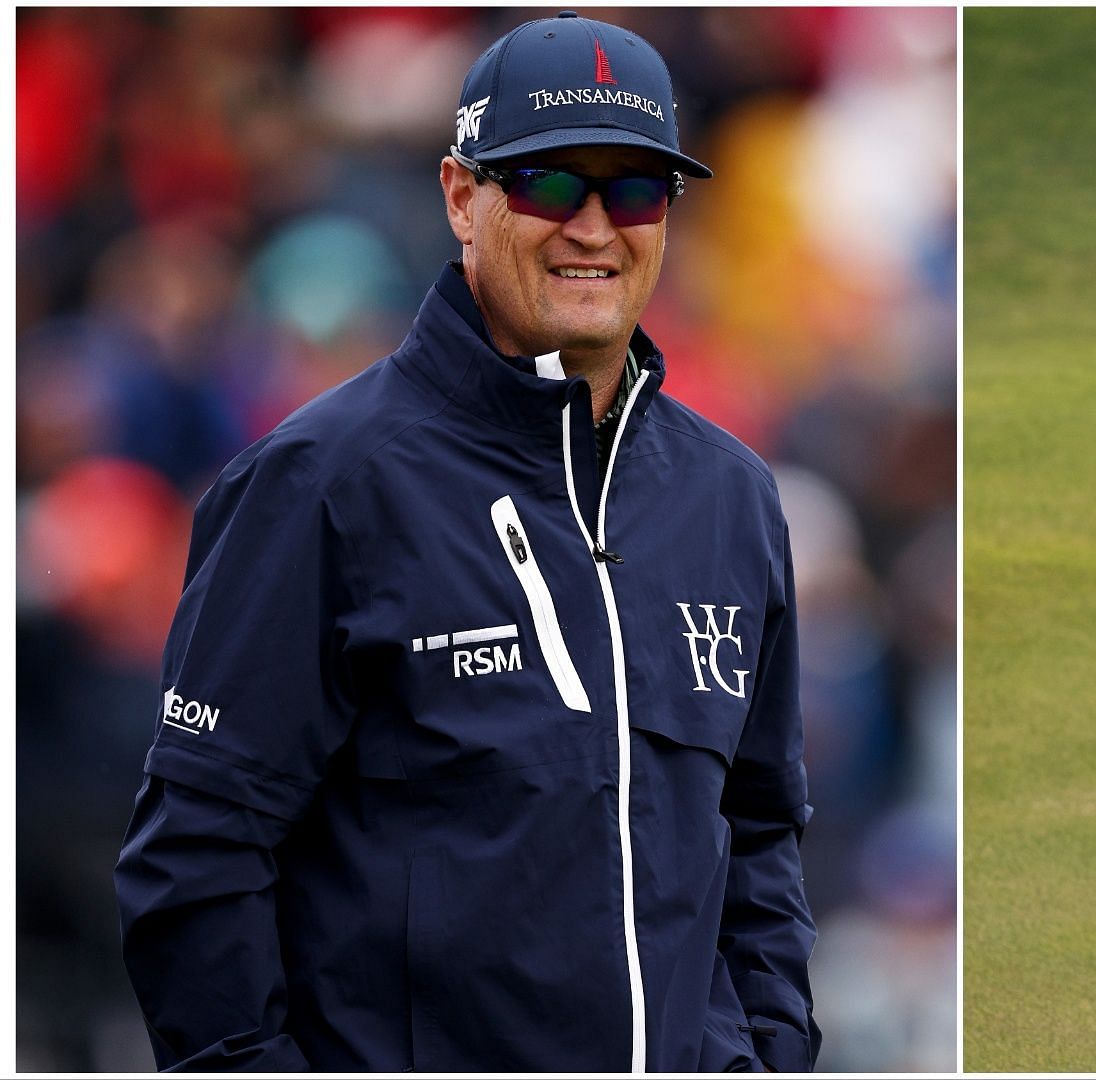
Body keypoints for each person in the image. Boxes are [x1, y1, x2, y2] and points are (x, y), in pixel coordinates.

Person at [114, 11, 820, 1072]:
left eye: (633, 189)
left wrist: (767, 1053)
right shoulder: (321, 482)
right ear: (460, 195)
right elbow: (197, 856)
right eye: (548, 185)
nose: (594, 227)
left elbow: (758, 838)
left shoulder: (731, 496)